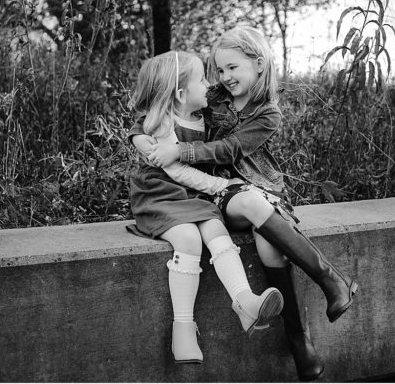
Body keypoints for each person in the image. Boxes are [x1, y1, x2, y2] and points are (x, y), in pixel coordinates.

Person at [137, 26, 358, 381]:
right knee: (255, 206)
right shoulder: (216, 96)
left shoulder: (267, 114)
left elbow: (231, 149)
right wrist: (142, 136)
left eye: (232, 68)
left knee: (270, 247)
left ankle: (298, 337)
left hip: (251, 187)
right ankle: (330, 279)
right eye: (219, 70)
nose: (223, 77)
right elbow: (167, 100)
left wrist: (182, 150)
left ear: (258, 63)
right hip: (220, 191)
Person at [126, 50, 283, 364]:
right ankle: (182, 329)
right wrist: (225, 186)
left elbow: (231, 140)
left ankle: (245, 303)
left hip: (192, 198)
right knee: (188, 238)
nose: (210, 84)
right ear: (181, 93)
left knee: (215, 228)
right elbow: (178, 171)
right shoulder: (165, 121)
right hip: (160, 194)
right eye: (202, 79)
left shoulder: (205, 117)